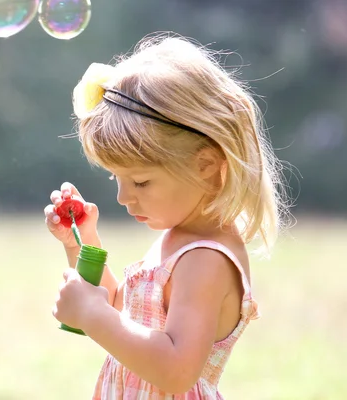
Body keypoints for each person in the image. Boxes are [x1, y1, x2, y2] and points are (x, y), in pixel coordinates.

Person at [43, 32, 292, 399]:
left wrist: (93, 317)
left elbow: (175, 371)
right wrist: (83, 243)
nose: (123, 197)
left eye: (141, 182)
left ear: (205, 164)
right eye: (117, 178)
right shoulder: (178, 240)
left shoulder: (205, 259)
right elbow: (123, 312)